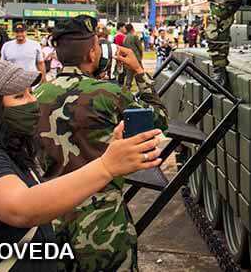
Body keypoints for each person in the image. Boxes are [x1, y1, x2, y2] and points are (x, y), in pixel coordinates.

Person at [0, 60, 163, 272]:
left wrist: (109, 156)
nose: (31, 101)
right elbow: (22, 209)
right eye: (19, 96)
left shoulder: (10, 148)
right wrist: (106, 166)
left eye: (30, 92)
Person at [33, 15, 167, 271]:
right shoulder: (109, 94)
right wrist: (139, 71)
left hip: (49, 214)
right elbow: (158, 120)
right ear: (92, 53)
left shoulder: (36, 95)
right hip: (103, 222)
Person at [122, 23, 143, 91]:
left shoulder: (125, 38)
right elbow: (140, 48)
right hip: (136, 59)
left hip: (129, 59)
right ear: (132, 28)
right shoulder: (134, 36)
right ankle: (143, 90)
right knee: (141, 76)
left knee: (129, 78)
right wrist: (140, 56)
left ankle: (126, 92)